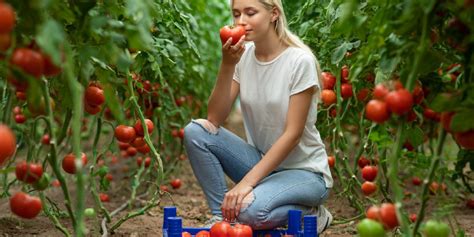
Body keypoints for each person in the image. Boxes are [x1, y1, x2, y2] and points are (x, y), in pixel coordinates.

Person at [183, 0, 333, 233]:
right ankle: (220, 219)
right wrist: (227, 65)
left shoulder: (298, 61)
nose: (241, 21)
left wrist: (245, 184)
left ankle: (312, 212)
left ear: (274, 14)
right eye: (236, 14)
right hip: (264, 162)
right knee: (196, 131)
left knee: (251, 212)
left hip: (306, 173)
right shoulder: (243, 56)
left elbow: (292, 135)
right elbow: (214, 117)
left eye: (250, 13)